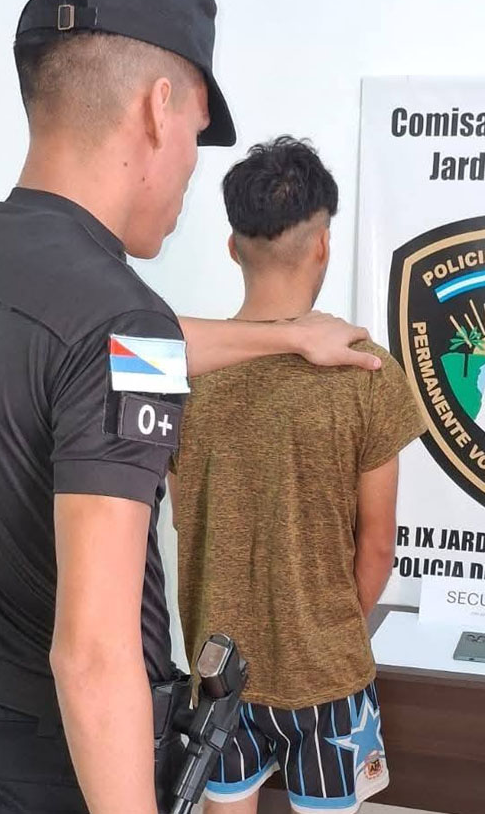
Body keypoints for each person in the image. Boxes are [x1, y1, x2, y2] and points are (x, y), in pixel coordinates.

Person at [0, 0, 379, 810]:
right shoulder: (120, 319)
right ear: (158, 108)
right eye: (196, 130)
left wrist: (289, 335)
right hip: (69, 770)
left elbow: (95, 346)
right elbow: (94, 656)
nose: (191, 166)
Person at [172, 137, 426, 814]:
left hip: (219, 669)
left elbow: (184, 520)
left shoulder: (182, 375)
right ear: (323, 245)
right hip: (328, 677)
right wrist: (326, 635)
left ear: (233, 248)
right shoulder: (368, 373)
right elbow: (378, 546)